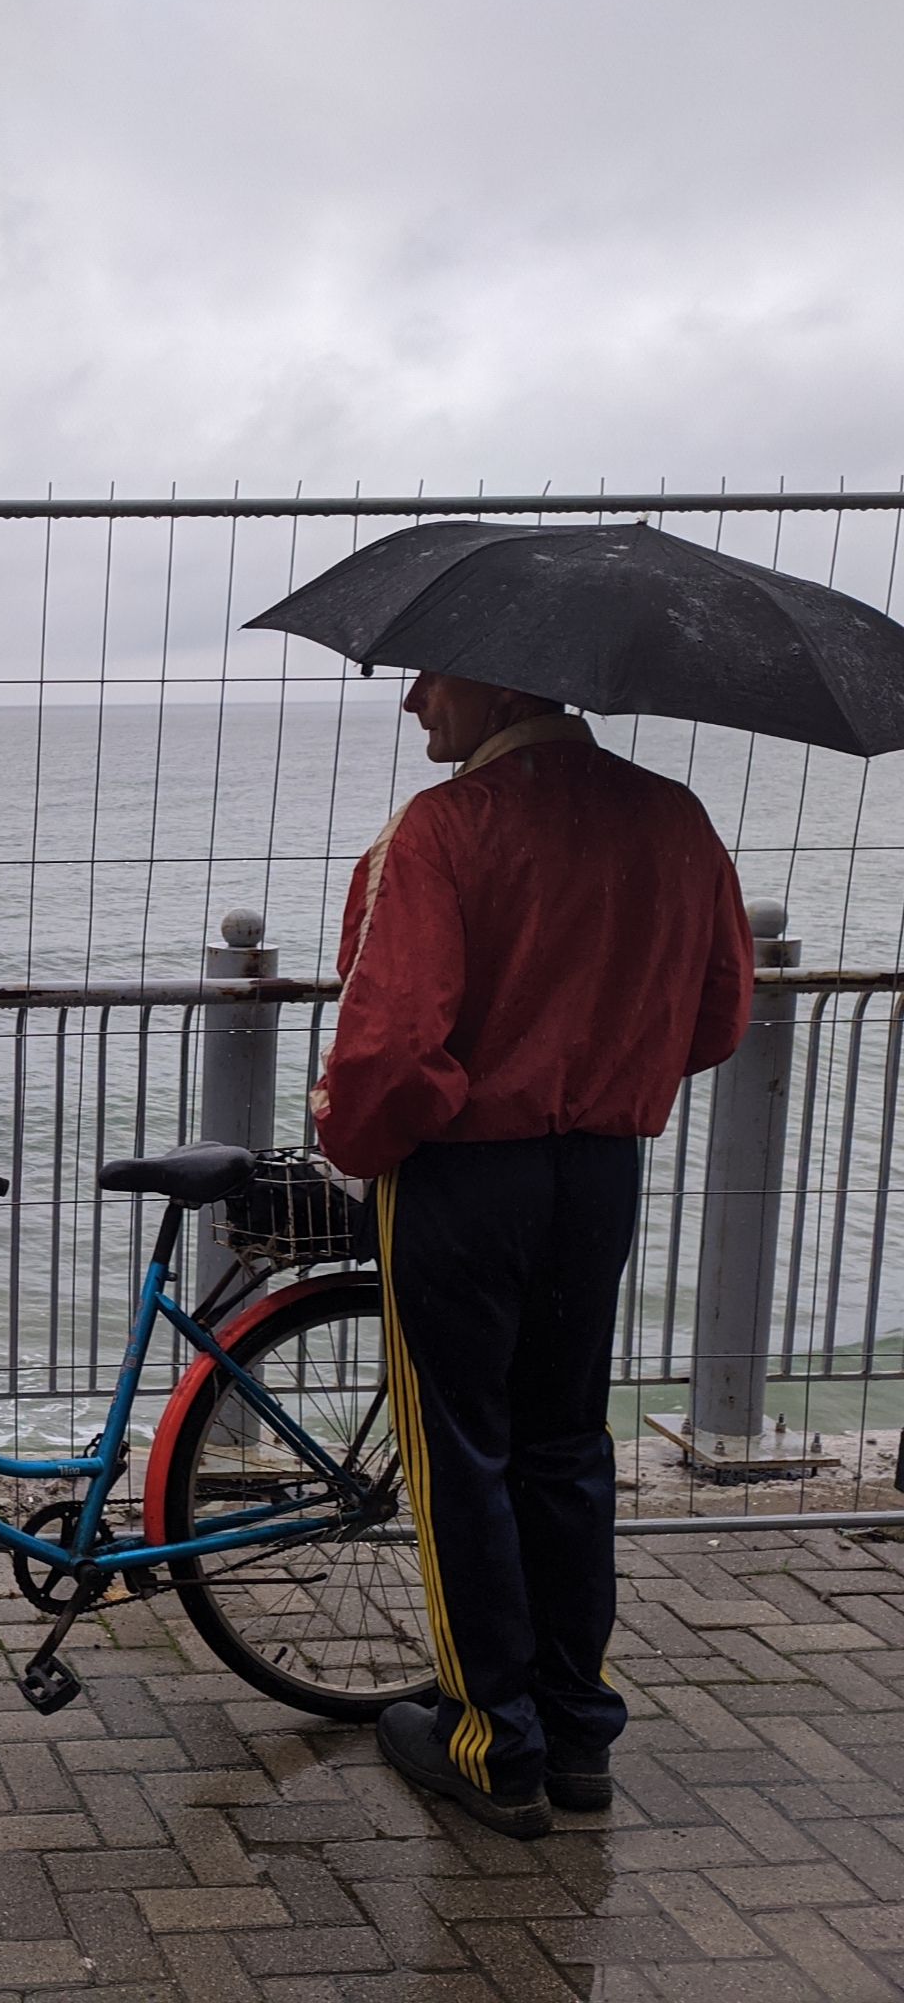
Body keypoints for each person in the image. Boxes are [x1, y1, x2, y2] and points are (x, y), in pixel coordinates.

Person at [310, 671, 752, 1840]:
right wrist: (602, 1070)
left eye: (427, 681)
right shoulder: (674, 817)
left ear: (492, 679)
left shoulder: (444, 827)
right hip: (597, 1169)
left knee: (459, 1450)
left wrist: (348, 1142)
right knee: (563, 1445)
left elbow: (393, 1040)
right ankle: (573, 1732)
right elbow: (715, 1013)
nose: (411, 705)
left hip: (463, 1173)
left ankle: (489, 1741)